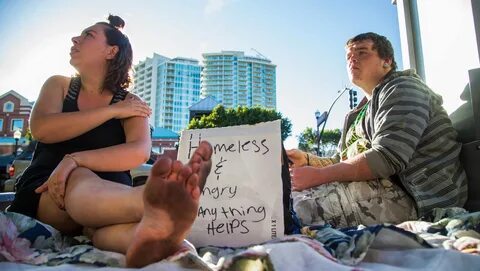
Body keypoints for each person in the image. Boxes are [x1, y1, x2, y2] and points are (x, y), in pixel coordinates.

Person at [8, 15, 213, 268]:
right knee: (80, 176)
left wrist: (75, 158)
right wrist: (111, 111)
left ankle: (153, 239)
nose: (75, 39)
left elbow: (139, 151)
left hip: (110, 204)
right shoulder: (59, 86)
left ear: (111, 51)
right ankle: (150, 201)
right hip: (51, 192)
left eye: (88, 35)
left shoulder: (131, 101)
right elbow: (42, 129)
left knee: (104, 232)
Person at [288, 32, 467, 228]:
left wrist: (319, 176)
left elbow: (387, 157)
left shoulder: (404, 87)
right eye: (348, 56)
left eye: (362, 53)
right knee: (287, 199)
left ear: (386, 61)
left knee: (296, 212)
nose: (352, 59)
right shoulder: (357, 114)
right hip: (378, 190)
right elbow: (341, 162)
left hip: (418, 198)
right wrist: (307, 160)